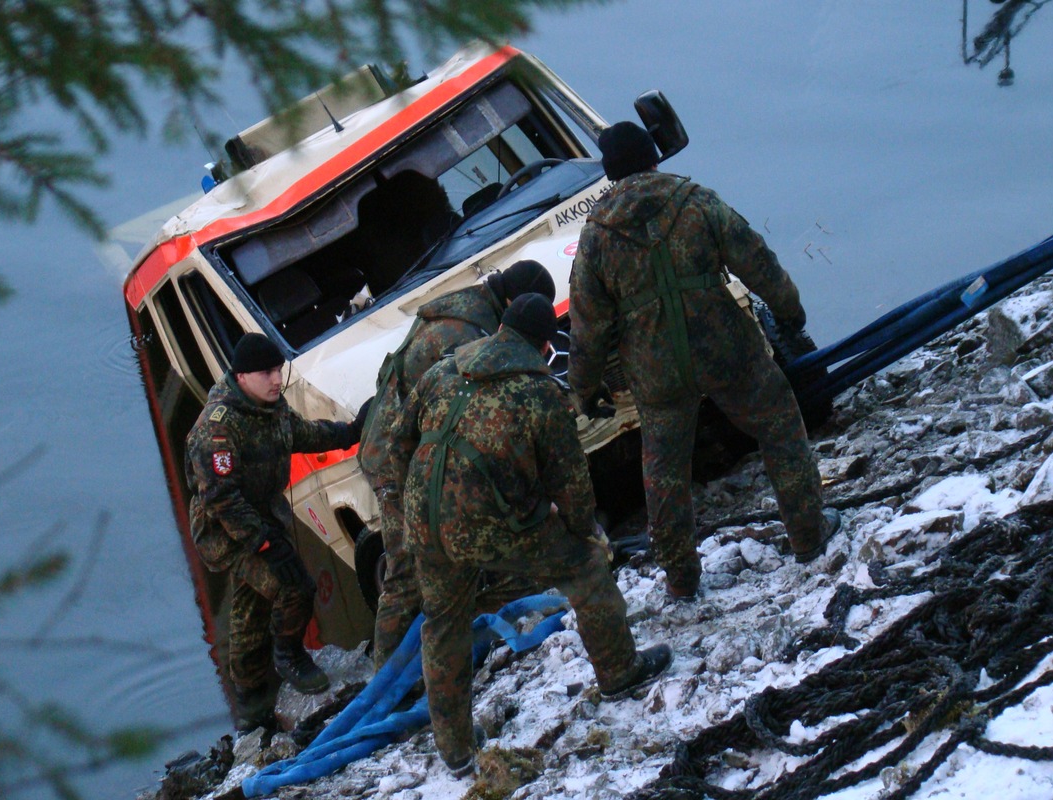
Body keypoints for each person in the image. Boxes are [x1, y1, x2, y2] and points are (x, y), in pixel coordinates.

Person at [388, 293, 672, 777]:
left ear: (501, 328)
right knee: (584, 567)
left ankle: (455, 749)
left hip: (424, 520)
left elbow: (398, 441)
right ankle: (620, 672)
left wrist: (414, 500)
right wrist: (585, 533)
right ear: (545, 348)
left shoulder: (442, 372)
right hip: (491, 521)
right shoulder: (540, 393)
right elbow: (573, 483)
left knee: (443, 622)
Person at [568, 121, 841, 600]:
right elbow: (756, 259)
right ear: (654, 156)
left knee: (664, 473)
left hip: (656, 370)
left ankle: (681, 579)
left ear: (609, 173)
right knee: (779, 425)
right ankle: (807, 533)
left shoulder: (595, 236)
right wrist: (789, 311)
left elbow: (587, 325)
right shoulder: (695, 201)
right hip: (725, 348)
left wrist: (585, 389)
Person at [358, 259, 557, 669]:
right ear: (511, 303)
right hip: (396, 456)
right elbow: (465, 412)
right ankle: (385, 681)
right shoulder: (464, 334)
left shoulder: (475, 311)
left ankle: (475, 630)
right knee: (406, 569)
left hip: (421, 445)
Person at [185, 332, 369, 731]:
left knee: (252, 606)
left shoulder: (269, 407)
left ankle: (251, 704)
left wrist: (351, 431)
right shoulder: (216, 431)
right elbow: (221, 500)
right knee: (291, 586)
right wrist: (265, 544)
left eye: (278, 370)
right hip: (227, 530)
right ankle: (287, 657)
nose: (276, 379)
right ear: (242, 376)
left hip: (262, 515)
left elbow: (301, 434)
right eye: (266, 372)